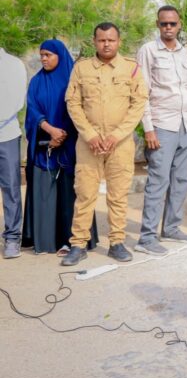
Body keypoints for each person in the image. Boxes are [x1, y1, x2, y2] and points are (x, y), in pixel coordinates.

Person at [61, 22, 147, 266]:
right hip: (89, 144)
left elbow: (138, 104)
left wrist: (116, 135)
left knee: (118, 195)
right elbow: (73, 103)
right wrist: (89, 134)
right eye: (102, 40)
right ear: (94, 42)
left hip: (120, 144)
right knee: (85, 194)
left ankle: (116, 242)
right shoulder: (82, 68)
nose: (106, 44)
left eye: (111, 40)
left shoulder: (131, 68)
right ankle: (78, 244)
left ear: (119, 41)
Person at [134, 6, 187, 255]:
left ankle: (171, 228)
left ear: (179, 25)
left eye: (173, 24)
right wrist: (148, 129)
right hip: (162, 125)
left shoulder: (184, 52)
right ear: (158, 25)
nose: (169, 28)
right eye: (164, 24)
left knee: (182, 180)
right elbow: (142, 93)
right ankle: (147, 238)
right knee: (158, 181)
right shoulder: (148, 51)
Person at [21, 40, 98, 254]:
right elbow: (32, 111)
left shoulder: (74, 79)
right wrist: (50, 130)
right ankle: (46, 241)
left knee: (71, 192)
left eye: (48, 55)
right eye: (41, 55)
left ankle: (72, 241)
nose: (43, 59)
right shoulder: (36, 81)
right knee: (45, 193)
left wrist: (62, 134)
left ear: (60, 56)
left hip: (72, 144)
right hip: (44, 145)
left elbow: (81, 108)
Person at [0, 46, 27, 259]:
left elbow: (18, 101)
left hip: (6, 134)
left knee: (10, 187)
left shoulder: (14, 64)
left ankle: (12, 237)